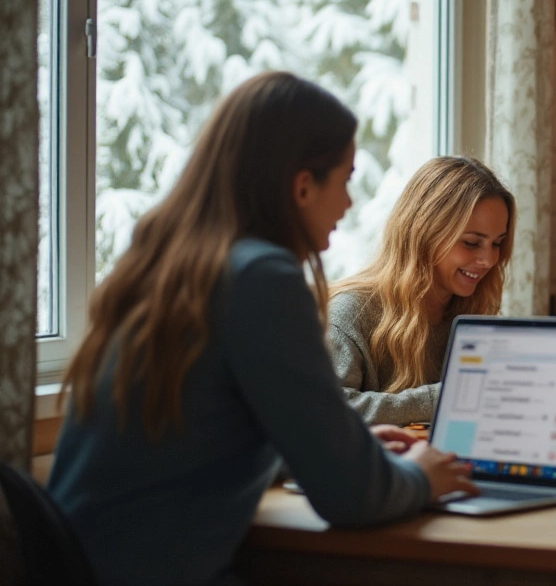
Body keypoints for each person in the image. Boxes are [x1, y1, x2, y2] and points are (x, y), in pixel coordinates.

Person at [49, 72, 479, 586]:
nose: (347, 204)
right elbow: (352, 499)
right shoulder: (260, 279)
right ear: (302, 186)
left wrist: (343, 448)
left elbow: (198, 440)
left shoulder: (164, 265)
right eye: (344, 180)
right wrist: (420, 477)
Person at [328, 156, 514, 425]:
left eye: (497, 243)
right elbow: (329, 411)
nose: (488, 260)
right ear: (424, 233)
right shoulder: (349, 315)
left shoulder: (470, 311)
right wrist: (443, 398)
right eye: (472, 243)